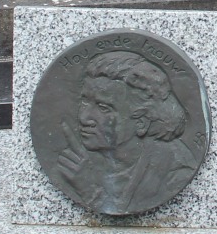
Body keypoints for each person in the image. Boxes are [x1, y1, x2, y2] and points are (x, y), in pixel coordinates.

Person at [55, 51, 199, 215]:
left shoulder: (174, 173)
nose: (84, 118)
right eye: (85, 102)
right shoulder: (84, 161)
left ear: (141, 123)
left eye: (103, 108)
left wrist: (91, 192)